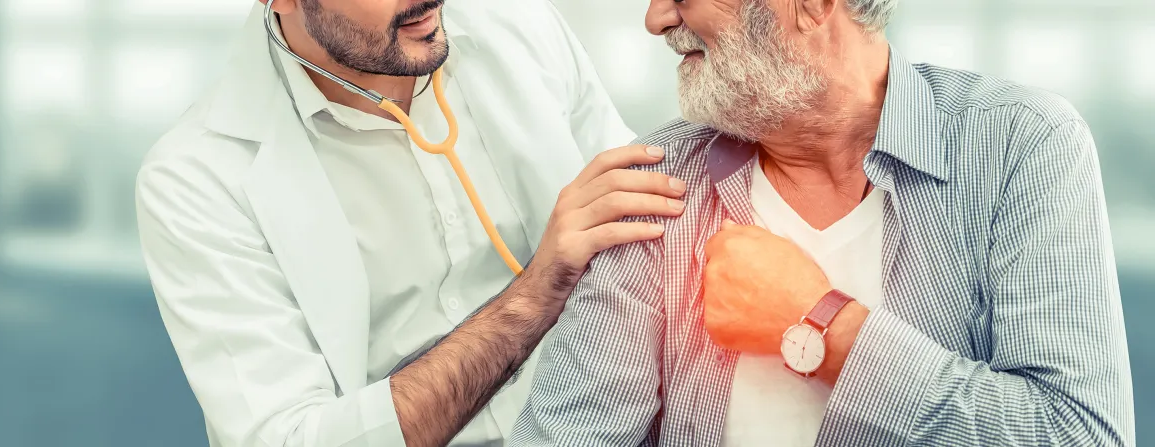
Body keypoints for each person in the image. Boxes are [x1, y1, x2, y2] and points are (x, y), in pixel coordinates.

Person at [512, 0, 1134, 445]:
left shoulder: (1021, 146)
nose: (656, 17)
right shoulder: (658, 183)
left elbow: (1074, 431)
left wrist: (818, 322)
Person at [135, 0, 687, 445]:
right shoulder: (195, 177)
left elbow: (648, 230)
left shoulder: (522, 27)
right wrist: (536, 293)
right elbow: (289, 437)